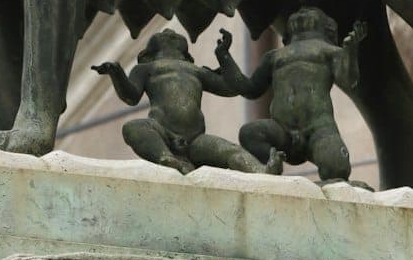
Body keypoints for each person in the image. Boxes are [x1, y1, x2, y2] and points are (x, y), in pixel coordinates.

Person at [93, 29, 281, 176]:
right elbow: (131, 96)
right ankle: (166, 157)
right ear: (147, 54)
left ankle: (261, 170)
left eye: (172, 33)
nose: (169, 32)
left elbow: (231, 88)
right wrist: (116, 73)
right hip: (162, 132)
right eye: (163, 34)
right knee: (133, 127)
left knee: (229, 150)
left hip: (196, 140)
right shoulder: (145, 68)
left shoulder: (195, 71)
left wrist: (223, 55)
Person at [218, 7, 367, 186]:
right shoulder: (274, 57)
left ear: (326, 26)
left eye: (311, 11)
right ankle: (271, 169)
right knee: (250, 133)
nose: (303, 11)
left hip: (318, 129)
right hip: (282, 131)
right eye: (299, 13)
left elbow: (348, 80)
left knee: (337, 166)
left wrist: (350, 53)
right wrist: (224, 56)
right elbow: (250, 88)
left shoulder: (329, 50)